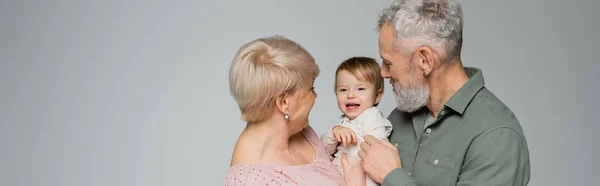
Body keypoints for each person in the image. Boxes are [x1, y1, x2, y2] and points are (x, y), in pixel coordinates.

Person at [357, 0, 531, 185]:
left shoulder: (496, 134)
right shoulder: (401, 115)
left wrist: (392, 176)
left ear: (425, 60)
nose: (383, 73)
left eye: (389, 63)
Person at [223, 35, 365, 186]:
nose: (315, 96)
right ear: (284, 102)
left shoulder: (300, 131)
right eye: (311, 89)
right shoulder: (251, 181)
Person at [320, 57, 393, 186]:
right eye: (343, 90)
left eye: (360, 89)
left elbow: (378, 157)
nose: (350, 95)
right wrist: (334, 131)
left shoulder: (371, 117)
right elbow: (323, 150)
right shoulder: (344, 122)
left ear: (377, 96)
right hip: (338, 176)